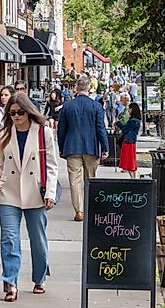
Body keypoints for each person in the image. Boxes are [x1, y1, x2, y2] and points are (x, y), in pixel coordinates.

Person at [0, 93, 58, 302]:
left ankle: (39, 278)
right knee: (9, 238)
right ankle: (10, 282)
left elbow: (52, 165)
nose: (17, 116)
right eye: (12, 113)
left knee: (37, 238)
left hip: (35, 191)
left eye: (20, 112)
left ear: (29, 112)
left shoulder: (43, 133)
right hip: (8, 191)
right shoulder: (3, 134)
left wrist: (51, 193)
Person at [57, 76, 109, 222]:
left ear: (76, 88)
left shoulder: (67, 106)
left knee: (74, 181)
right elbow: (100, 129)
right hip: (91, 147)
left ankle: (79, 210)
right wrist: (104, 147)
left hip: (72, 147)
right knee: (90, 179)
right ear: (89, 89)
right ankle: (90, 208)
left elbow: (61, 130)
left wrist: (61, 147)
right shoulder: (96, 106)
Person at [117, 103, 141, 177]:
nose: (129, 111)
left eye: (130, 109)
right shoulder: (137, 120)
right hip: (132, 141)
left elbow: (124, 129)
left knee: (129, 162)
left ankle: (133, 177)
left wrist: (118, 123)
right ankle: (133, 176)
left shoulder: (132, 121)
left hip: (128, 141)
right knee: (131, 161)